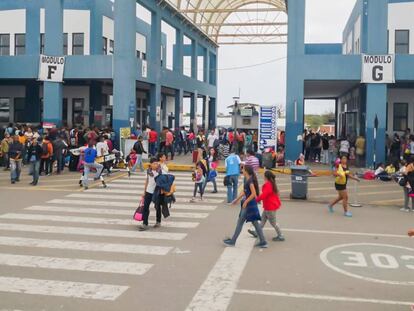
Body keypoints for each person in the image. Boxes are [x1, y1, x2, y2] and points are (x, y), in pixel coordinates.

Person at [223, 165, 268, 248]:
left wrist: (246, 202)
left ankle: (233, 241)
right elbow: (245, 191)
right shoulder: (248, 179)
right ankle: (263, 241)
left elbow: (253, 194)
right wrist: (236, 199)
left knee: (240, 222)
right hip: (250, 205)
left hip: (249, 205)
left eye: (243, 169)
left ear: (246, 171)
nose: (242, 171)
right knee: (254, 223)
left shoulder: (250, 181)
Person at [248, 170, 285, 242]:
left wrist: (256, 200)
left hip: (270, 207)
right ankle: (256, 232)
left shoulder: (268, 184)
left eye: (264, 175)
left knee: (273, 223)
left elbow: (264, 195)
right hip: (269, 206)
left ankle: (280, 235)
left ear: (266, 177)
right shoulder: (271, 183)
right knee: (262, 220)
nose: (263, 176)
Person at [139, 157, 162, 231]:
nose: (156, 165)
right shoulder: (148, 171)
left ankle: (158, 221)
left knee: (157, 207)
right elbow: (147, 181)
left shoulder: (160, 171)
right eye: (154, 163)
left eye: (156, 163)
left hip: (157, 192)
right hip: (149, 191)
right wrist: (144, 192)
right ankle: (145, 223)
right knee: (146, 207)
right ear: (151, 164)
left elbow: (163, 182)